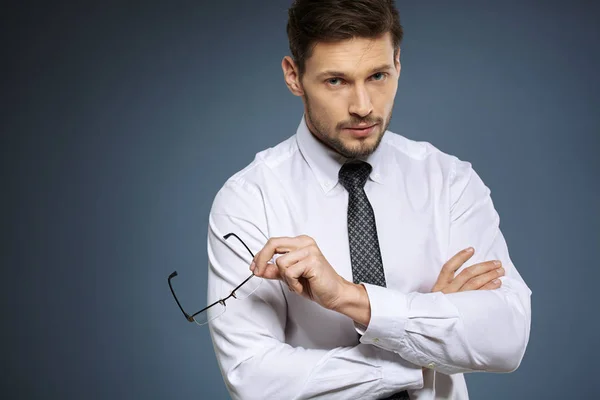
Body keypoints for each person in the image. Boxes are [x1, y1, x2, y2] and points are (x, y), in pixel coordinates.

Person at [205, 1, 532, 399]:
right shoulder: (249, 199)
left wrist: (349, 296)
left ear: (397, 62)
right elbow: (254, 380)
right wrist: (425, 333)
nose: (363, 106)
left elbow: (506, 338)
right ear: (294, 76)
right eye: (336, 81)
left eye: (378, 75)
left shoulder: (449, 182)